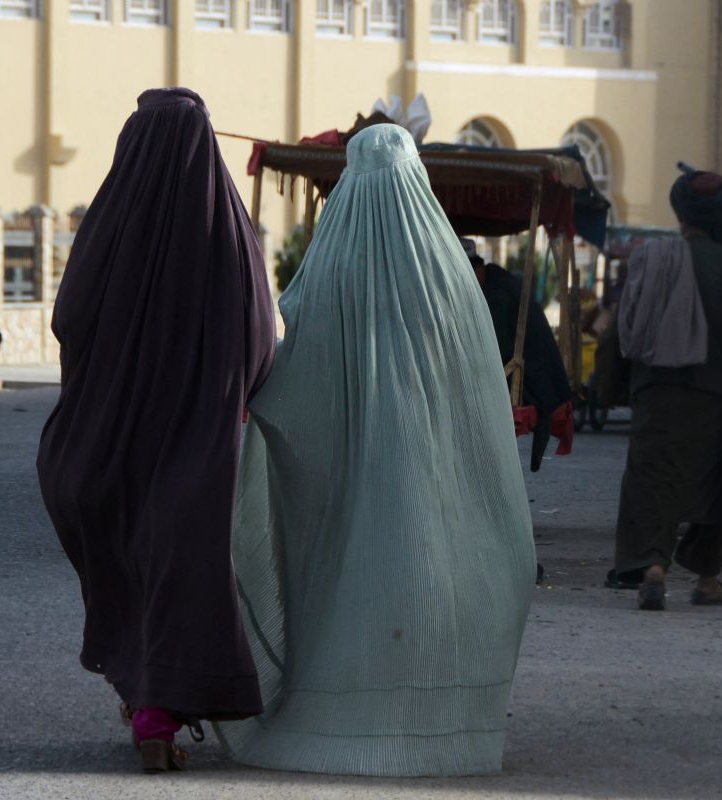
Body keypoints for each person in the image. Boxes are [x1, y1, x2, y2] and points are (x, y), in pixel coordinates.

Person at [214, 124, 537, 776]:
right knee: (428, 583)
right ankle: (432, 726)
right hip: (438, 481)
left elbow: (294, 381)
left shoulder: (328, 269)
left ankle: (350, 713)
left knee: (355, 589)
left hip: (351, 486)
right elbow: (478, 384)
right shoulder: (452, 275)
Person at [36, 88, 276, 772]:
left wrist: (107, 378)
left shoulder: (111, 221)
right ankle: (158, 709)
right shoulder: (227, 226)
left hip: (114, 429)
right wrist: (233, 390)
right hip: (198, 430)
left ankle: (145, 695)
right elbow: (260, 334)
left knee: (127, 550)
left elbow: (70, 317)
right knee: (182, 558)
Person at [603, 171, 722, 610]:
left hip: (653, 393)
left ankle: (653, 568)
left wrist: (604, 388)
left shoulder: (648, 258)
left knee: (651, 480)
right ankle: (706, 579)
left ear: (680, 212)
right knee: (713, 482)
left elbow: (617, 329)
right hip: (713, 398)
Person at [460, 238, 572, 471]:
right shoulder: (497, 281)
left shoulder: (498, 296)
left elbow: (495, 350)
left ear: (474, 269)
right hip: (541, 376)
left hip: (533, 379)